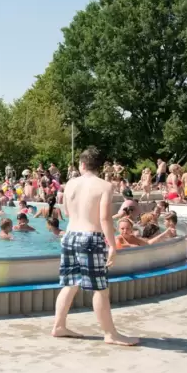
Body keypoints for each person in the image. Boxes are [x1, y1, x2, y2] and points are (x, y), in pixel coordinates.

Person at [51, 146, 138, 346]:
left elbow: (66, 210)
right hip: (90, 238)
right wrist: (113, 246)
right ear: (100, 167)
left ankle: (59, 326)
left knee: (70, 284)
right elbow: (105, 218)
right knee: (100, 289)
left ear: (82, 164)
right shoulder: (105, 186)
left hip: (70, 235)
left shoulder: (70, 184)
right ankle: (110, 334)